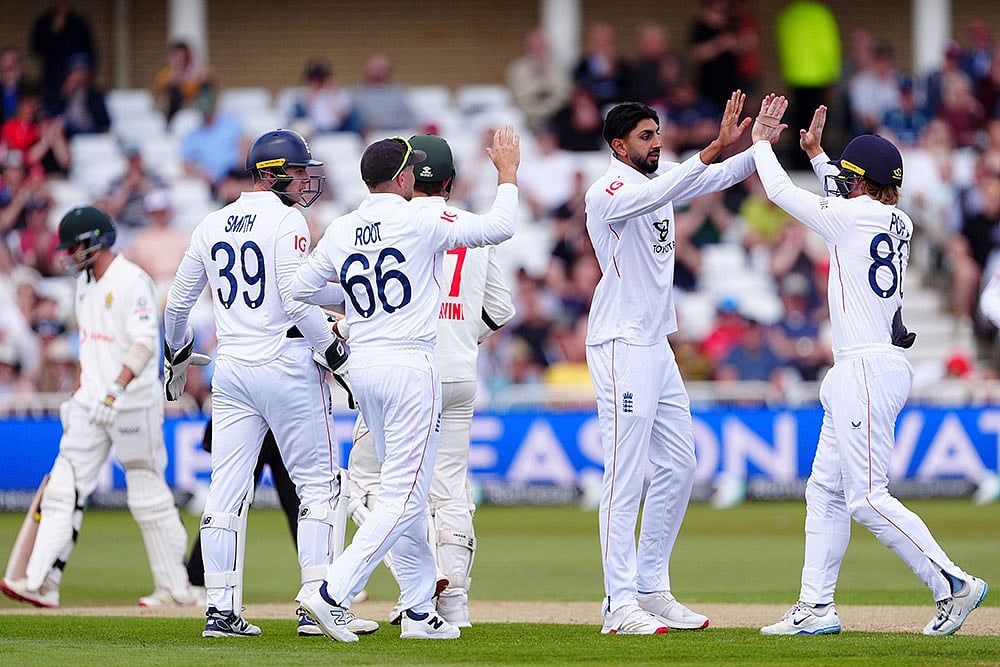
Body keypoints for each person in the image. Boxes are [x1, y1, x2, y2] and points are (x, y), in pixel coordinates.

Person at [750, 96, 988, 636]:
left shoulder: (851, 216)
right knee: (826, 491)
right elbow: (849, 198)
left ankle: (951, 582)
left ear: (857, 181)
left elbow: (781, 193)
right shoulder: (895, 219)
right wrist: (818, 157)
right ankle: (815, 608)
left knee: (865, 497)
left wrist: (764, 144)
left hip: (864, 369)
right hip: (869, 366)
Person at [291, 127, 520, 642]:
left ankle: (420, 611)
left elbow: (298, 291)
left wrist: (348, 290)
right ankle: (329, 592)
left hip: (363, 366)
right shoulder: (423, 214)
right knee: (404, 495)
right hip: (412, 368)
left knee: (407, 496)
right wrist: (507, 174)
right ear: (402, 178)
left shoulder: (344, 227)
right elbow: (501, 227)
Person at [162, 128, 376, 638]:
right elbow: (294, 297)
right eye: (299, 170)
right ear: (272, 173)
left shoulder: (211, 223)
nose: (306, 179)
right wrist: (336, 353)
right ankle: (318, 607)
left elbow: (176, 306)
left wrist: (175, 360)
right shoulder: (287, 219)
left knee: (226, 493)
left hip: (232, 369)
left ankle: (220, 610)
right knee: (320, 488)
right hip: (285, 363)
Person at [584, 91, 769, 635]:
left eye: (658, 133)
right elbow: (677, 183)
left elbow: (704, 181)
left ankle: (651, 588)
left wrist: (757, 148)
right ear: (618, 146)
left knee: (680, 464)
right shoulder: (608, 189)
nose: (656, 143)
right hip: (619, 344)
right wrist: (711, 148)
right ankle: (618, 605)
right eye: (645, 136)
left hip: (654, 346)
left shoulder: (659, 187)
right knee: (624, 473)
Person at [0, 206, 194, 609]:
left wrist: (115, 391)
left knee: (146, 491)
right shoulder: (85, 282)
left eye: (74, 248)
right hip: (91, 402)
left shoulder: (132, 280)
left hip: (132, 400)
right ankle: (42, 583)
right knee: (62, 487)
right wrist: (79, 395)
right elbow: (90, 349)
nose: (68, 256)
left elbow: (144, 343)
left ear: (95, 241)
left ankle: (174, 589)